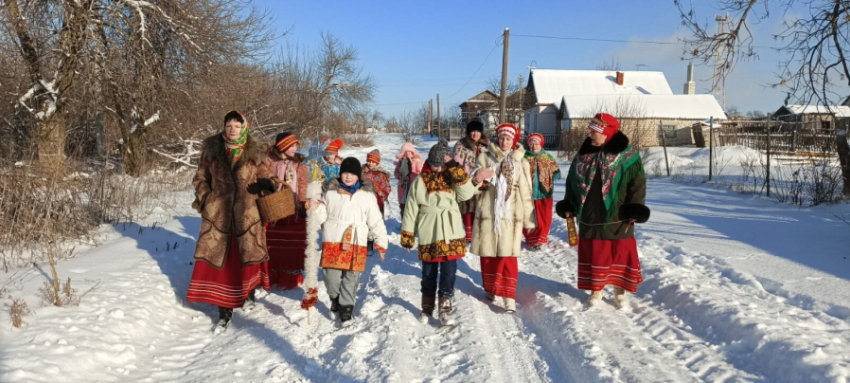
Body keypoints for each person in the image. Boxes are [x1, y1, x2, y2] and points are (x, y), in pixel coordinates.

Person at [187, 111, 279, 333]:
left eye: (237, 126)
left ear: (244, 128)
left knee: (246, 258)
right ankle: (224, 312)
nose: (232, 129)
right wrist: (206, 197)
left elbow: (273, 179)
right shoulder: (212, 152)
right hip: (218, 216)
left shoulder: (256, 152)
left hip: (248, 215)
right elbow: (200, 178)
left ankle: (248, 293)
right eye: (229, 125)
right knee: (222, 264)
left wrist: (265, 185)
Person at [555, 113, 650, 309]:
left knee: (619, 252)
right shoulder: (583, 154)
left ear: (606, 133)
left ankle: (619, 288)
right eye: (590, 131)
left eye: (593, 132)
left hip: (618, 213)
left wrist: (635, 207)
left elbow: (637, 183)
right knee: (595, 251)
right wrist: (569, 205)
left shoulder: (627, 155)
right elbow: (572, 182)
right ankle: (596, 288)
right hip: (589, 212)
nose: (589, 135)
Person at [401, 139, 476, 326]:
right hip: (430, 232)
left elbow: (467, 193)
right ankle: (426, 308)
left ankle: (445, 309)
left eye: (440, 165)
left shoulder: (452, 178)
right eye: (434, 165)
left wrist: (452, 165)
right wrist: (408, 236)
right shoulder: (420, 181)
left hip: (451, 233)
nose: (437, 169)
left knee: (449, 274)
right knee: (428, 273)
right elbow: (411, 209)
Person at [306, 157, 388, 326]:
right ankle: (335, 299)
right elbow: (321, 217)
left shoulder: (367, 195)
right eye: (345, 173)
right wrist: (315, 207)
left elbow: (375, 220)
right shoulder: (330, 192)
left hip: (357, 241)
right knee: (332, 278)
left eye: (352, 174)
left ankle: (345, 309)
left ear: (359, 176)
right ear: (340, 174)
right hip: (333, 239)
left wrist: (381, 241)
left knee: (351, 278)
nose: (348, 177)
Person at [469, 123, 536, 313]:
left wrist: (529, 219)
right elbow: (474, 184)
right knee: (489, 256)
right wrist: (481, 180)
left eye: (508, 138)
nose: (504, 142)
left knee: (507, 257)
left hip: (510, 216)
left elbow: (526, 191)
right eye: (501, 138)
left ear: (513, 140)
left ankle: (509, 298)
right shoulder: (484, 157)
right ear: (497, 139)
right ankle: (491, 289)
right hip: (488, 213)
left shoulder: (521, 162)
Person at [265, 132, 308, 289]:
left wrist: (303, 202)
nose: (296, 148)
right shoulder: (270, 162)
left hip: (294, 209)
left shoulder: (299, 163)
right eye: (292, 145)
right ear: (283, 147)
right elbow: (265, 179)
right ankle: (273, 275)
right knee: (274, 243)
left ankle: (290, 276)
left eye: (296, 145)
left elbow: (303, 183)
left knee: (293, 243)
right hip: (274, 207)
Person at [453, 119, 489, 243]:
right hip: (466, 181)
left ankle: (478, 233)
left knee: (480, 208)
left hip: (483, 182)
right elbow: (457, 163)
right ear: (468, 132)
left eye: (478, 131)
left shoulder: (486, 146)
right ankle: (469, 235)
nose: (475, 134)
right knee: (467, 208)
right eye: (473, 131)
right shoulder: (461, 145)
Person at [522, 134, 561, 250]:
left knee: (544, 217)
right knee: (529, 218)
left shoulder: (547, 157)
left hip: (544, 193)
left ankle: (541, 238)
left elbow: (555, 173)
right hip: (528, 194)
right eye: (532, 144)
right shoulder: (524, 158)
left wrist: (549, 177)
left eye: (537, 144)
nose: (534, 146)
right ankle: (531, 239)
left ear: (541, 144)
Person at [361, 149, 392, 257]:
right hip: (363, 200)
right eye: (369, 161)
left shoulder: (381, 175)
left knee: (372, 222)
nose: (371, 164)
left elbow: (387, 187)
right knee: (363, 221)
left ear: (377, 163)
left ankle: (370, 242)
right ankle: (363, 242)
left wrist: (382, 192)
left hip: (376, 202)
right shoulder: (362, 171)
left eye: (373, 162)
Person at [393, 143, 423, 214]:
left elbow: (419, 174)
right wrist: (399, 176)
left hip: (413, 186)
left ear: (413, 152)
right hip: (403, 186)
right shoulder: (401, 162)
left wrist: (410, 177)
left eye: (409, 152)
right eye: (405, 152)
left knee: (413, 204)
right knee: (403, 206)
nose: (407, 154)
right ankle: (403, 221)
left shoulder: (416, 162)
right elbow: (396, 172)